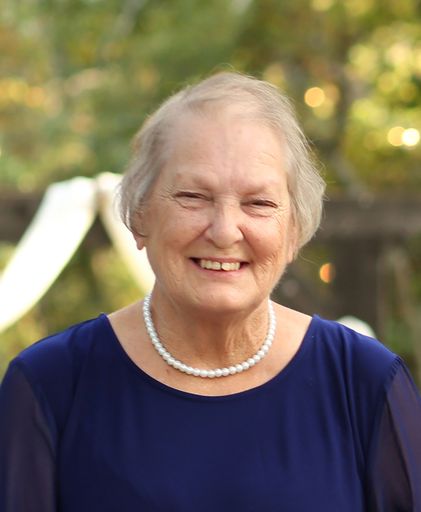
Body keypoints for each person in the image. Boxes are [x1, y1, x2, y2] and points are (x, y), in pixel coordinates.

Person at [1, 72, 420, 512]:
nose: (224, 231)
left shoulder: (366, 381)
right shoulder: (48, 386)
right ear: (139, 216)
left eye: (258, 203)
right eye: (193, 196)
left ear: (294, 230)